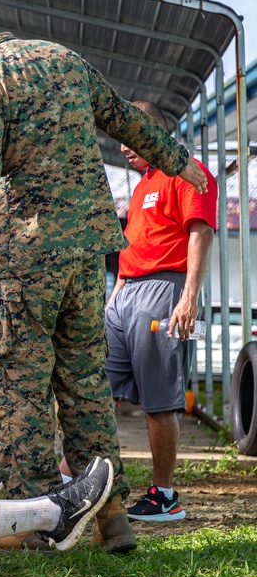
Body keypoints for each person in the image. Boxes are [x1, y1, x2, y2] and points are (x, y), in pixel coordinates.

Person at [0, 2, 209, 553]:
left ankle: (35, 520)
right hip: (86, 257)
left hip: (22, 261)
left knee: (19, 394)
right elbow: (126, 118)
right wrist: (179, 161)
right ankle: (111, 516)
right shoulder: (63, 59)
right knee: (86, 387)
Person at [105, 100, 216, 522]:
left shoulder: (187, 172)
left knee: (159, 400)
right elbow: (133, 245)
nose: (122, 148)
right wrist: (114, 296)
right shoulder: (142, 185)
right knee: (98, 392)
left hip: (165, 292)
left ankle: (164, 495)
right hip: (125, 294)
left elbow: (201, 234)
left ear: (153, 132)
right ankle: (76, 478)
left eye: (129, 137)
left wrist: (189, 297)